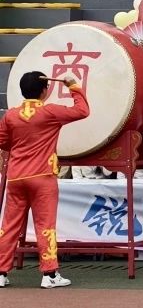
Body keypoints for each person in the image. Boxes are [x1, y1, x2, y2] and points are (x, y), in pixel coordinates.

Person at [0, 72, 89, 289]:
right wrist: (73, 86)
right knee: (45, 226)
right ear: (44, 90)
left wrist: (20, 147)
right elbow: (82, 111)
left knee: (9, 226)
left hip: (16, 176)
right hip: (42, 177)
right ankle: (49, 274)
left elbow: (2, 141)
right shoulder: (50, 112)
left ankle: (1, 273)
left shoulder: (11, 115)